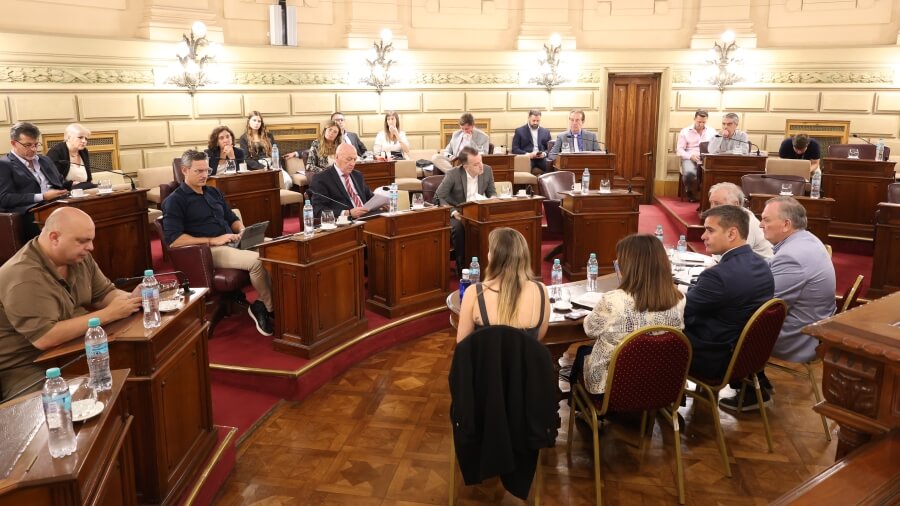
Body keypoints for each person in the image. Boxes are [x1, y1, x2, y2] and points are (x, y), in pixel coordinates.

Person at [0, 207, 142, 401]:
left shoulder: (78, 257)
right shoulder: (23, 275)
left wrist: (131, 299)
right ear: (54, 237)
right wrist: (111, 313)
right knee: (74, 406)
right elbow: (45, 337)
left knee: (132, 372)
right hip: (27, 366)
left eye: (91, 239)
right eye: (82, 241)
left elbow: (104, 294)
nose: (91, 247)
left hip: (73, 347)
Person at [719, 196, 837, 411]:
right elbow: (772, 270)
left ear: (786, 224)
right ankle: (756, 381)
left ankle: (751, 393)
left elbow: (763, 305)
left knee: (724, 325)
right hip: (813, 325)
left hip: (799, 336)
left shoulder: (793, 255)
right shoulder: (806, 239)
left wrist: (726, 289)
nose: (761, 224)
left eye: (766, 219)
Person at [162, 150, 275, 336]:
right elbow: (174, 240)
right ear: (184, 170)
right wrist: (212, 240)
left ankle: (273, 302)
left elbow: (231, 218)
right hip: (208, 250)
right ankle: (268, 308)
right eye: (198, 171)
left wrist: (242, 230)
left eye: (207, 169)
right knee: (257, 261)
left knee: (278, 247)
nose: (204, 175)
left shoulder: (213, 192)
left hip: (232, 241)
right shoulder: (175, 201)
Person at [575, 234, 685, 395]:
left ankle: (585, 410)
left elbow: (590, 330)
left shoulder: (613, 300)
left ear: (629, 265)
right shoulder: (679, 298)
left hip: (613, 386)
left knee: (582, 354)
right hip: (659, 381)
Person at [683, 205, 774, 381]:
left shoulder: (717, 276)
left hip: (712, 357)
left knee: (650, 333)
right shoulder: (761, 265)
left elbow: (681, 309)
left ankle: (653, 402)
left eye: (710, 230)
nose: (703, 236)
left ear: (732, 234)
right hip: (744, 357)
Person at [455, 227, 550, 343]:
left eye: (489, 250)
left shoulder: (473, 293)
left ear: (493, 257)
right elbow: (537, 340)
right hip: (524, 361)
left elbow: (462, 344)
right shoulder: (540, 290)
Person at [0, 121, 68, 242]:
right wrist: (42, 196)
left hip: (55, 204)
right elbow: (5, 198)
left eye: (36, 144)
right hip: (29, 213)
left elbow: (60, 183)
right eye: (28, 145)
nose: (33, 149)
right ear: (14, 143)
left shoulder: (44, 160)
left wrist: (72, 185)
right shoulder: (4, 164)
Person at [434, 146, 497, 272]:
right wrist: (453, 212)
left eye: (481, 161)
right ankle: (461, 263)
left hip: (477, 211)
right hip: (458, 212)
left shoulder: (487, 170)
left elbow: (492, 193)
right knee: (458, 227)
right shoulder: (453, 174)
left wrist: (493, 199)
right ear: (466, 166)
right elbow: (438, 197)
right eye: (476, 164)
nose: (481, 166)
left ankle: (489, 263)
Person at [308, 143, 375, 220]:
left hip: (367, 216)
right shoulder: (321, 178)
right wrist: (347, 213)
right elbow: (318, 210)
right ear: (337, 157)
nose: (352, 164)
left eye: (354, 159)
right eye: (349, 159)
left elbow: (370, 197)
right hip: (346, 222)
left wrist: (381, 203)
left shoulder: (357, 175)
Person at [708, 182, 773, 258]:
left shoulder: (746, 222)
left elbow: (737, 258)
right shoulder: (726, 218)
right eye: (711, 203)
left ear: (735, 205)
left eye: (717, 203)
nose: (712, 208)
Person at [677, 110, 716, 202]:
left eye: (704, 122)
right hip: (690, 158)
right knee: (690, 174)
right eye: (699, 122)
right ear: (694, 119)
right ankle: (691, 192)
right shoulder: (685, 131)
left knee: (712, 174)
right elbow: (679, 150)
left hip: (706, 158)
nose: (701, 124)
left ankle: (706, 196)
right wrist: (690, 156)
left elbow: (716, 146)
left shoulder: (712, 131)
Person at [46, 123, 95, 190]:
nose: (84, 141)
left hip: (84, 188)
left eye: (86, 138)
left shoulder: (83, 151)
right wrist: (70, 184)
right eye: (80, 137)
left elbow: (89, 178)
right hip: (65, 190)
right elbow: (53, 178)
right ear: (69, 137)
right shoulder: (56, 152)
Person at [511, 109, 552, 175]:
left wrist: (544, 154)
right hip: (527, 158)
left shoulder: (546, 132)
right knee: (523, 171)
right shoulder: (519, 131)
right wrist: (528, 154)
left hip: (541, 158)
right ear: (529, 118)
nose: (535, 123)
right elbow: (515, 149)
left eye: (538, 121)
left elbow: (550, 149)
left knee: (552, 167)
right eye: (533, 120)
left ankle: (545, 184)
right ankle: (526, 185)